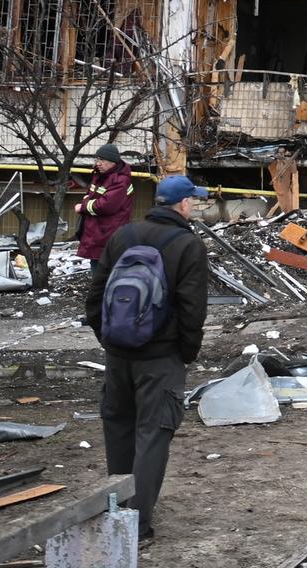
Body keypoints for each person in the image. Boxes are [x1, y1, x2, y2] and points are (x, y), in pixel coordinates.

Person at [85, 175, 210, 543]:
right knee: (153, 436)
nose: (195, 206)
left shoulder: (122, 236)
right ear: (183, 204)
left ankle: (117, 512)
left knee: (119, 429)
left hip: (118, 354)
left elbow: (95, 297)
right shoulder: (188, 245)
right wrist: (185, 354)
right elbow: (192, 311)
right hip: (161, 357)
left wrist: (110, 340)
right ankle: (136, 528)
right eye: (194, 201)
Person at [76, 143, 134, 260]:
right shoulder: (101, 175)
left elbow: (106, 206)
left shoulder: (120, 180)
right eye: (97, 159)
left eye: (102, 160)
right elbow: (89, 195)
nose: (98, 163)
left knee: (103, 274)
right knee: (97, 271)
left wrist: (82, 207)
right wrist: (88, 203)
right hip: (98, 234)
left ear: (113, 162)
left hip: (107, 235)